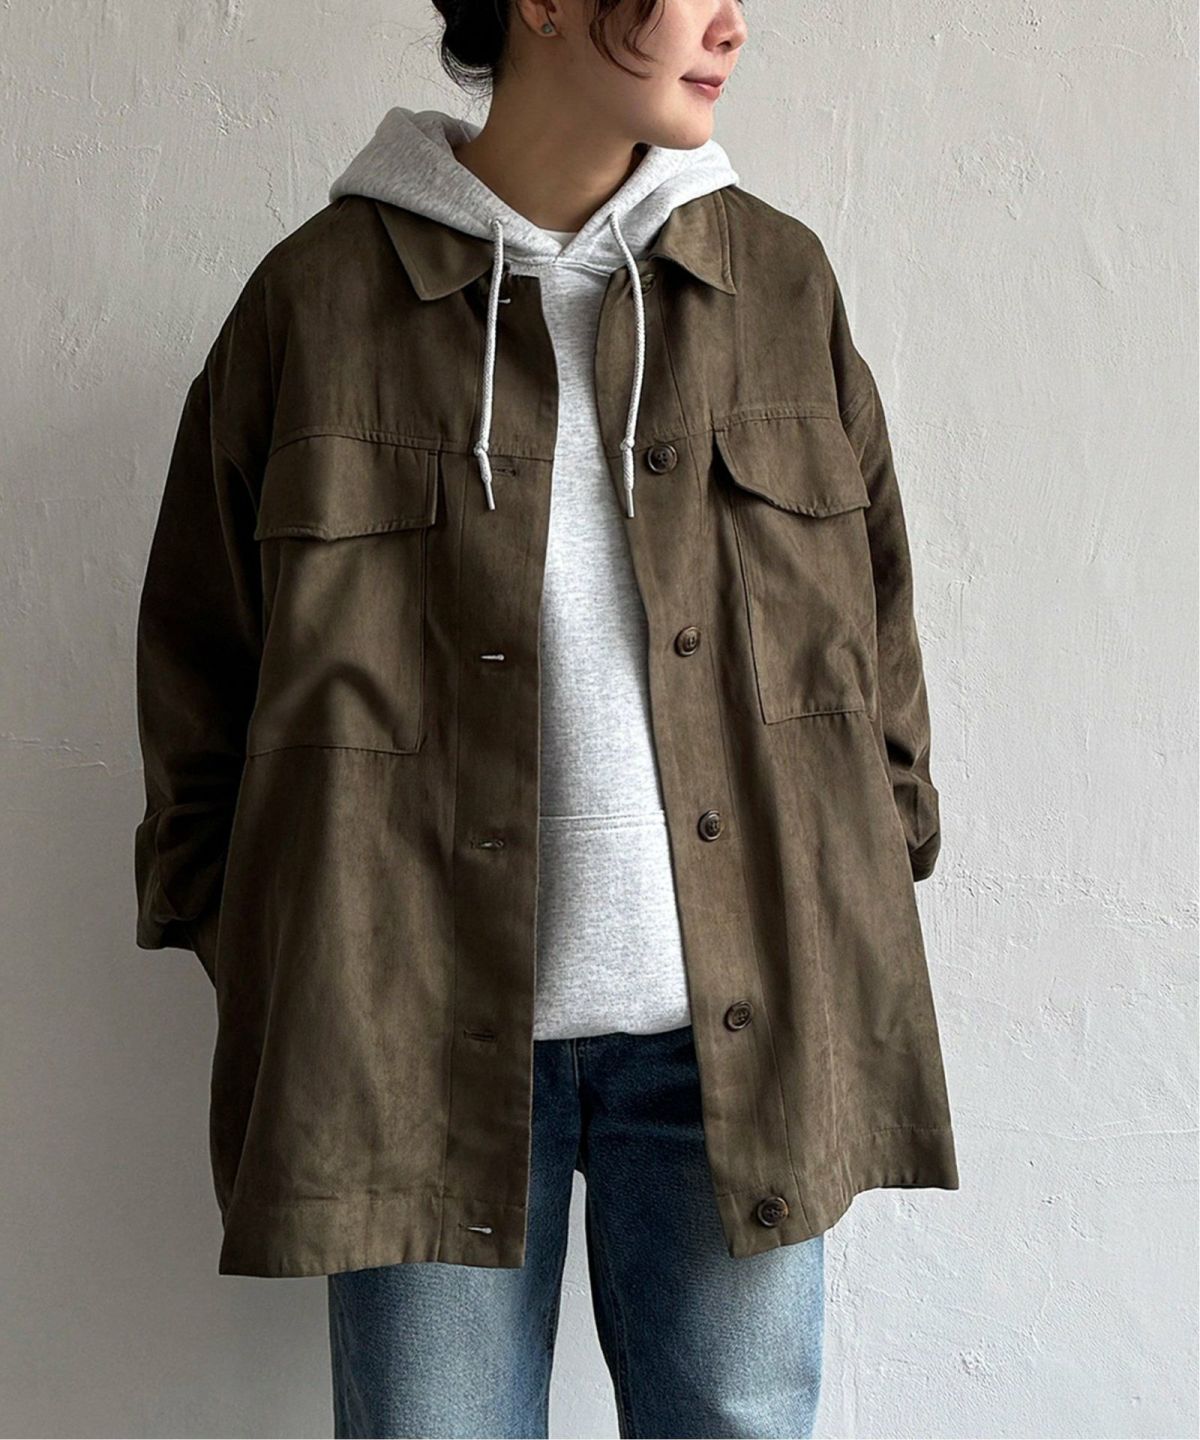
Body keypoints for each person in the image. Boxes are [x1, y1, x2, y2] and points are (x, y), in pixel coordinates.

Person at [133, 2, 961, 1436]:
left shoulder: (777, 286)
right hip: (404, 1040)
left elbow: (876, 641)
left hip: (734, 1040)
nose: (733, 23)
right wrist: (269, 947)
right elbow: (199, 673)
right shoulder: (320, 302)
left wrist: (873, 863)